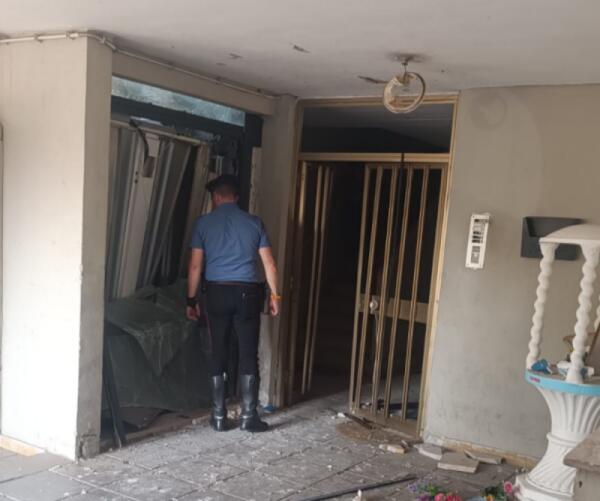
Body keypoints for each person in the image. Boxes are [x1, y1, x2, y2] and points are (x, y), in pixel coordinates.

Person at [186, 174, 280, 433]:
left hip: (216, 293)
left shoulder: (203, 223)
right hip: (248, 295)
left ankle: (219, 416)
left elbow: (195, 266)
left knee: (219, 350)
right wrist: (275, 296)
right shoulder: (255, 223)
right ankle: (249, 417)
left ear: (216, 197)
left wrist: (191, 300)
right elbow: (270, 264)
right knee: (249, 352)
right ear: (236, 198)